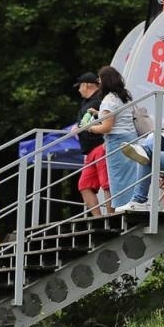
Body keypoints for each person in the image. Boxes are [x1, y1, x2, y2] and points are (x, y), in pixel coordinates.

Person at [79, 66, 140, 212]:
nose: (98, 82)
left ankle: (120, 210)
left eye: (100, 79)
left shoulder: (108, 100)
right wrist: (99, 113)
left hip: (117, 142)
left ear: (105, 81)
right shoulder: (124, 96)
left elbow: (107, 127)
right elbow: (118, 116)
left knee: (117, 179)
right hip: (130, 138)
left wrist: (89, 127)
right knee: (130, 176)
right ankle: (132, 205)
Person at [71, 72, 109, 218]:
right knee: (84, 185)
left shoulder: (98, 100)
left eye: (80, 86)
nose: (79, 89)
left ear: (86, 84)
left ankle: (110, 216)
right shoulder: (87, 102)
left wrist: (79, 127)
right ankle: (98, 218)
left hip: (100, 146)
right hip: (90, 150)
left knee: (106, 184)